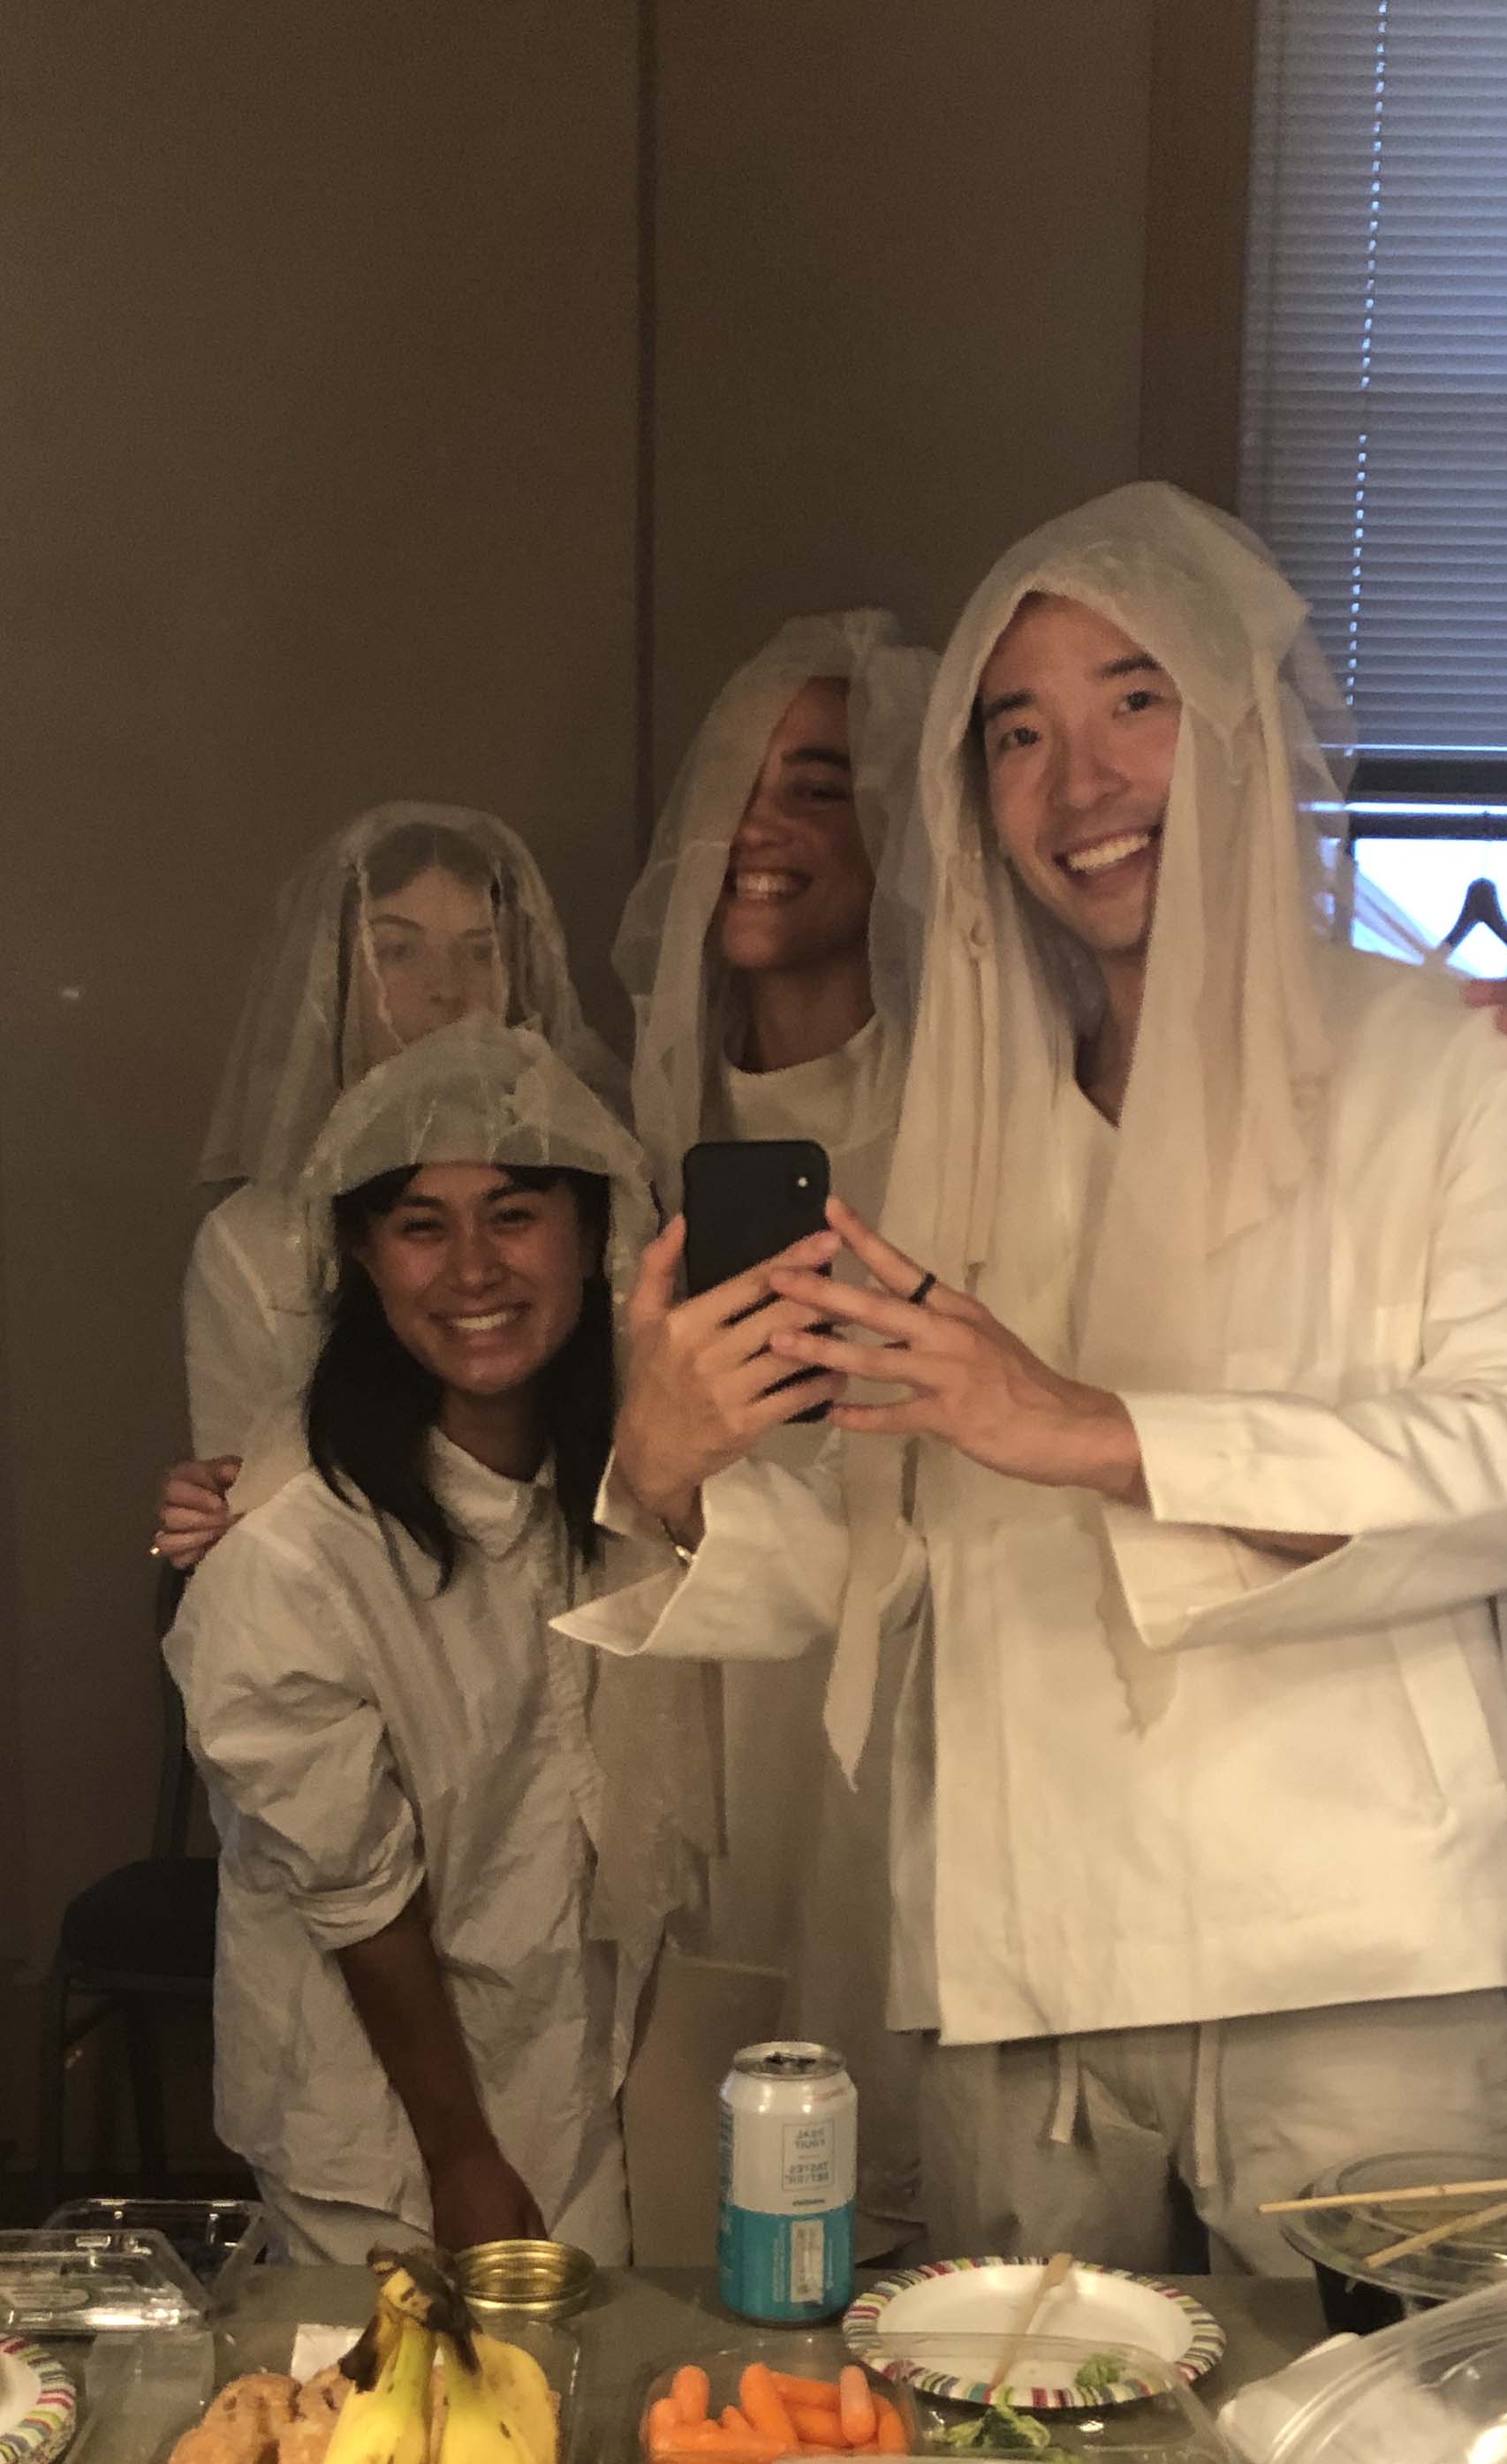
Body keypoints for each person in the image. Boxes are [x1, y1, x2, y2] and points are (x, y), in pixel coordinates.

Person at [568, 482, 1507, 2285]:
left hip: (1357, 1941)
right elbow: (864, 1539)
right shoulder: (944, 1134)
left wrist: (1098, 1431)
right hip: (1030, 1936)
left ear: (1242, 728)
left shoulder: (1461, 1072)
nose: (1080, 784)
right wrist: (666, 1478)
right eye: (1017, 731)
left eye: (1133, 700)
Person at [165, 1021, 673, 2265]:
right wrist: (459, 2154)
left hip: (588, 2082)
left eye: (512, 1213)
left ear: (590, 1231)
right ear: (357, 1249)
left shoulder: (629, 1488)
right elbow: (357, 1896)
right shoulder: (296, 1546)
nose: (472, 1269)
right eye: (420, 1224)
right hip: (385, 2127)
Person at [617, 614, 937, 2250]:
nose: (761, 829)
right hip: (687, 1638)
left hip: (909, 1631)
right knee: (704, 2055)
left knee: (886, 1992)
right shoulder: (641, 1117)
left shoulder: (967, 1094)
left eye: (818, 787)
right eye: (738, 789)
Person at [157, 802, 617, 1564]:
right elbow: (244, 1510)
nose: (447, 990)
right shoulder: (252, 1240)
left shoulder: (584, 1190)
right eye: (398, 953)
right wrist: (209, 1508)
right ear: (334, 977)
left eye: (480, 951)